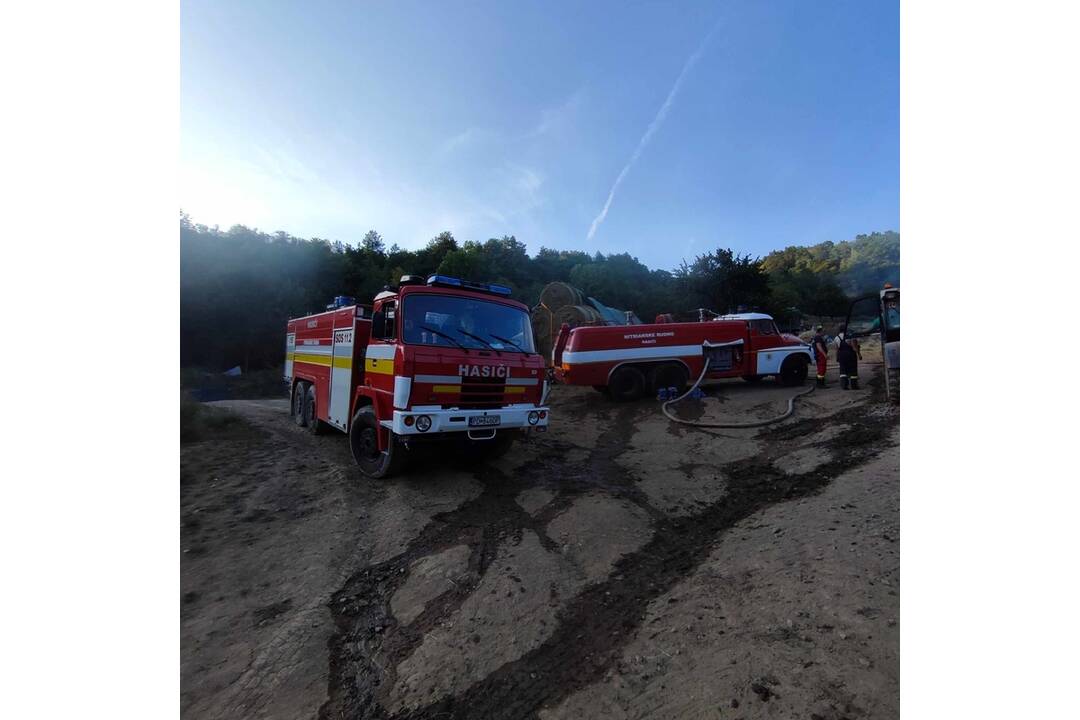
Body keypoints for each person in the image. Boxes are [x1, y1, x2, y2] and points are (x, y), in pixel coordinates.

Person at [834, 324, 862, 390]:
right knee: (853, 370)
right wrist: (859, 354)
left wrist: (837, 357)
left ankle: (844, 386)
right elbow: (854, 347)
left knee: (843, 370)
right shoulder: (850, 336)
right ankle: (854, 386)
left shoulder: (836, 338)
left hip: (842, 356)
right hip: (851, 355)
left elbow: (836, 349)